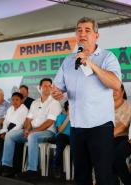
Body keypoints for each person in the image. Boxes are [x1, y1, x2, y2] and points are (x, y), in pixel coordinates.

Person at [52, 17, 121, 185]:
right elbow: (58, 87)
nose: (82, 33)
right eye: (79, 30)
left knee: (104, 175)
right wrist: (57, 92)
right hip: (77, 126)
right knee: (81, 176)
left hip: (100, 125)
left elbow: (116, 84)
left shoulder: (107, 57)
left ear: (96, 36)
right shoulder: (68, 60)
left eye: (87, 30)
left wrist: (91, 64)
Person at [1, 78, 61, 180]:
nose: (47, 88)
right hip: (32, 130)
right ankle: (7, 166)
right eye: (44, 86)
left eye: (49, 86)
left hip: (47, 132)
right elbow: (28, 119)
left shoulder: (54, 103)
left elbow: (49, 122)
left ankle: (32, 170)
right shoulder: (35, 103)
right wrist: (27, 129)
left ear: (52, 88)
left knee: (32, 136)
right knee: (10, 135)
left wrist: (32, 131)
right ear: (39, 88)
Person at [0, 92, 28, 173]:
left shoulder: (24, 110)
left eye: (17, 100)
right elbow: (5, 121)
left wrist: (7, 133)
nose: (15, 101)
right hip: (7, 130)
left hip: (17, 131)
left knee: (6, 141)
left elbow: (20, 125)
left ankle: (1, 167)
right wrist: (4, 131)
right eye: (13, 100)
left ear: (21, 100)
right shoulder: (10, 109)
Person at [52, 101, 70, 178]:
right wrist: (68, 117)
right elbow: (60, 130)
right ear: (66, 108)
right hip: (62, 136)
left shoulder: (78, 118)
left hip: (74, 137)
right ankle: (56, 166)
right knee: (61, 140)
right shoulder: (61, 117)